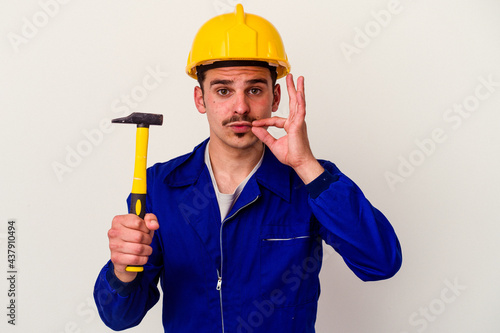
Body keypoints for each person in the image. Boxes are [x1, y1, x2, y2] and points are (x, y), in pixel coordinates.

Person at [94, 4, 402, 332]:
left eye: (254, 90)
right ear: (200, 99)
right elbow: (118, 318)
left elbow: (380, 262)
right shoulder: (161, 186)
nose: (240, 107)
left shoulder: (310, 182)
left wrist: (305, 164)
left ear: (276, 96)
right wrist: (123, 271)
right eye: (223, 90)